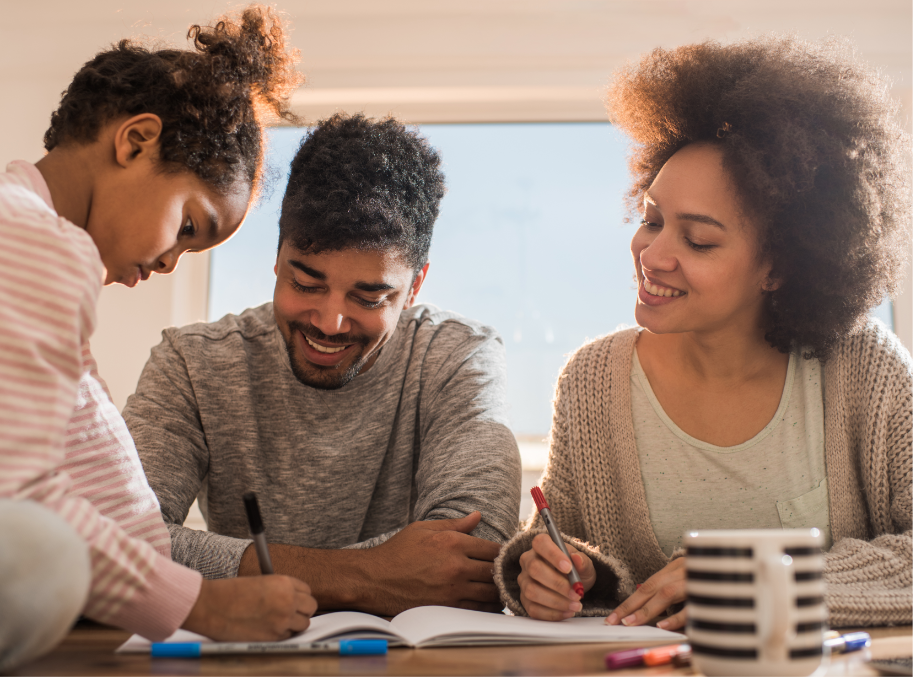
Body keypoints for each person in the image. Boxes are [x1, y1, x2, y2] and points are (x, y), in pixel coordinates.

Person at [494, 35, 913, 629]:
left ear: (779, 266)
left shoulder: (862, 369)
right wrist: (558, 576)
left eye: (699, 240)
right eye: (652, 221)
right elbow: (566, 555)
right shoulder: (594, 381)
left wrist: (748, 578)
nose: (653, 255)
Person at [0, 6, 317, 671]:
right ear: (136, 142)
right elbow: (19, 490)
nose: (173, 261)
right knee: (42, 552)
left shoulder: (34, 240)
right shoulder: (34, 240)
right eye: (188, 226)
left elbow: (82, 451)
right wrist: (204, 604)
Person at [125, 112, 522, 616]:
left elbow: (471, 559)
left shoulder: (458, 356)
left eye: (370, 296)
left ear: (415, 285)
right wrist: (369, 575)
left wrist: (253, 572)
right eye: (306, 284)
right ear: (276, 257)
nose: (331, 322)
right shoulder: (192, 362)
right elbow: (116, 539)